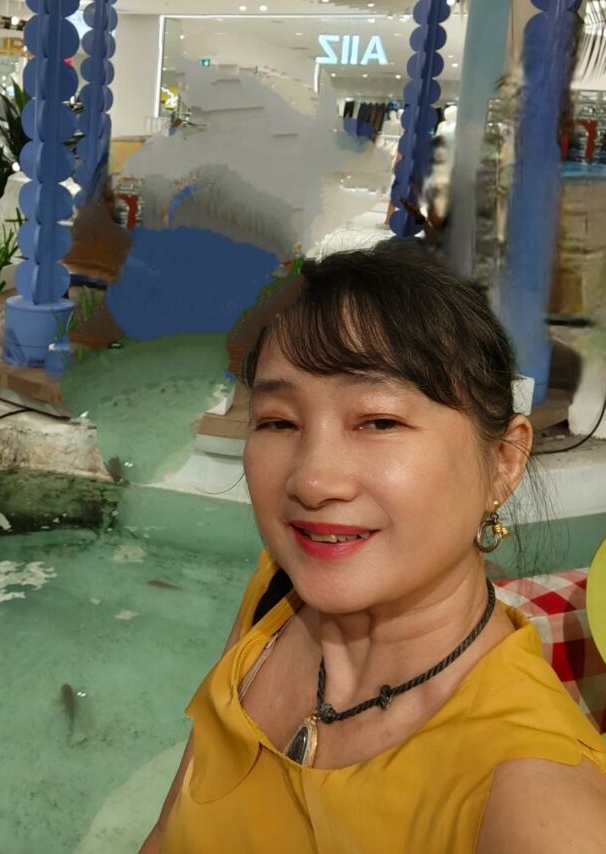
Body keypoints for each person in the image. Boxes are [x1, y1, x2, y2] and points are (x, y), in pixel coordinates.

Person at [140, 240, 606, 853]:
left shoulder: (530, 797)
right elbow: (166, 831)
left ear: (502, 462)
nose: (312, 481)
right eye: (278, 421)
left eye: (379, 421)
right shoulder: (276, 593)